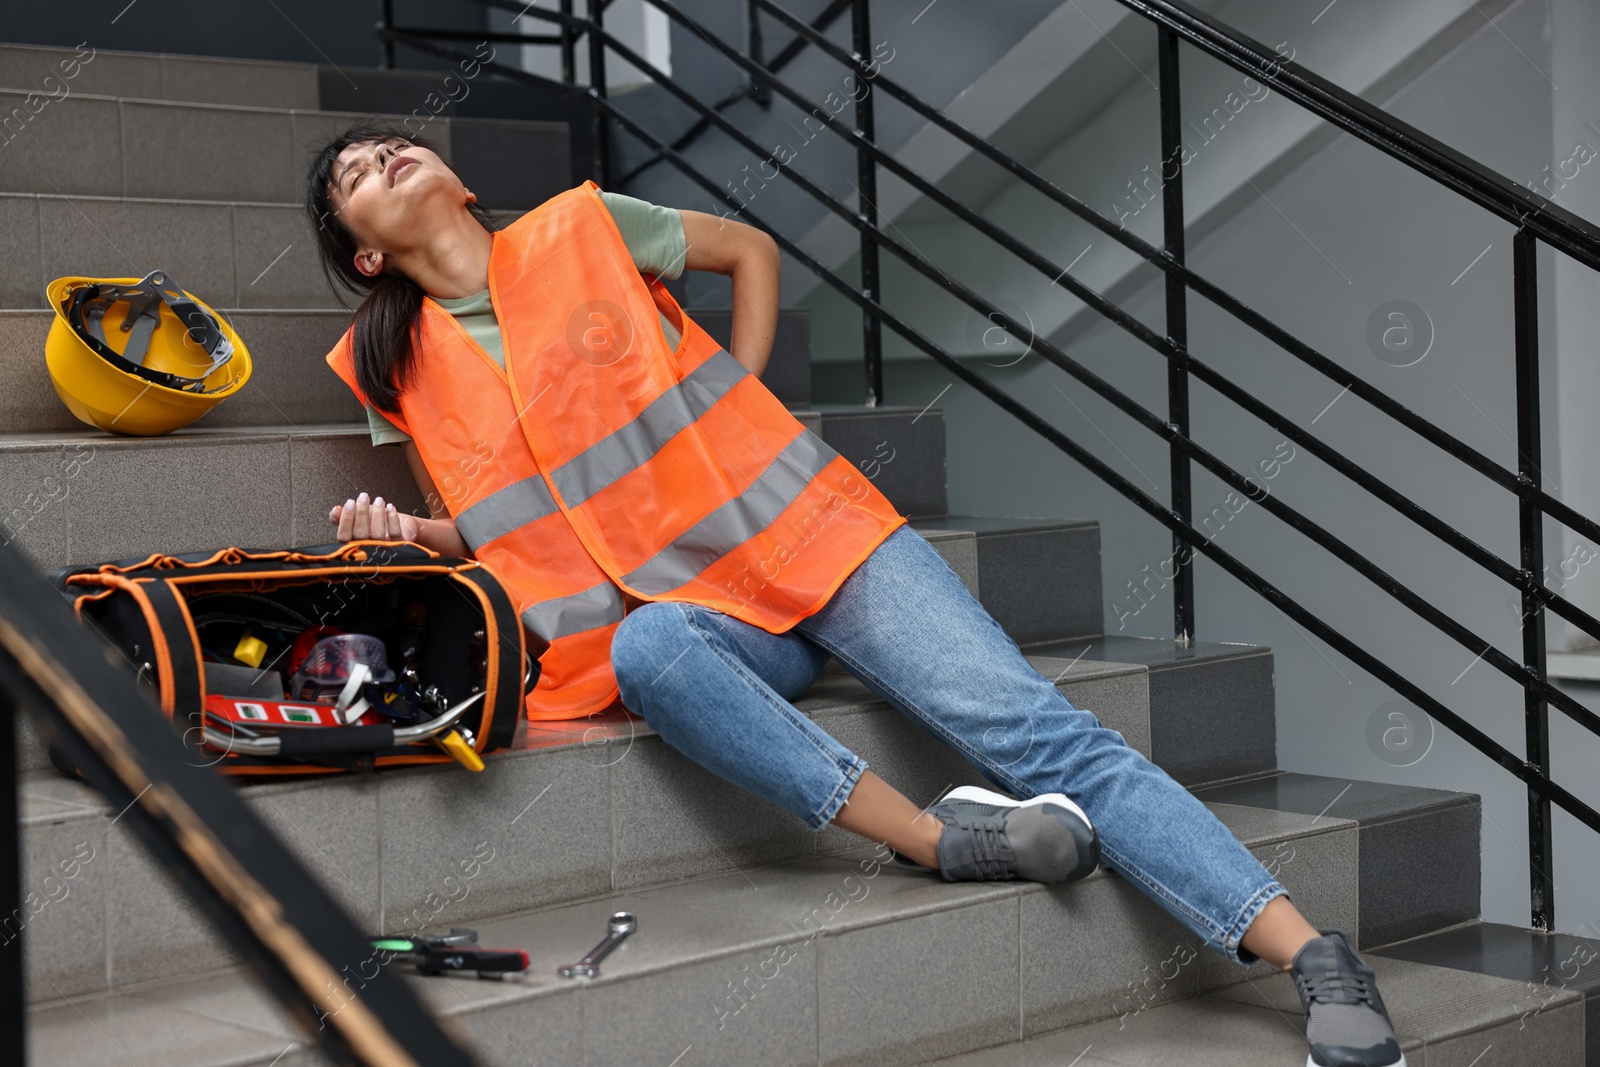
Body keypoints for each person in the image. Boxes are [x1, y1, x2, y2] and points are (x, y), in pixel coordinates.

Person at [307, 121, 1404, 1067]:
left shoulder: (583, 226)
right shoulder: (391, 364)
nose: (380, 154)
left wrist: (739, 387)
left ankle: (1313, 956)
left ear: (460, 182)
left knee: (1038, 732)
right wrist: (407, 534)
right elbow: (494, 514)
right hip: (703, 615)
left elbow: (747, 250)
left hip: (811, 536)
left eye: (390, 144)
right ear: (363, 252)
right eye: (353, 170)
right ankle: (942, 841)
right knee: (649, 657)